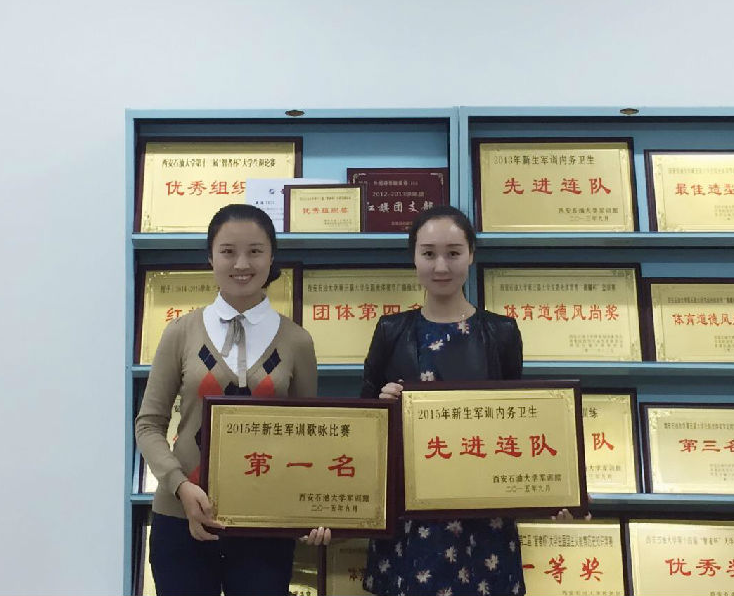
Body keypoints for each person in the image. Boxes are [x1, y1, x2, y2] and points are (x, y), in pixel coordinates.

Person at [135, 204, 330, 596]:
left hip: (265, 524)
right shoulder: (180, 332)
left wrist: (313, 509)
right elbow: (149, 424)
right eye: (228, 251)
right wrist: (179, 486)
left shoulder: (297, 341)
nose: (242, 263)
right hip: (180, 518)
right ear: (210, 257)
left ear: (272, 257)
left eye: (255, 251)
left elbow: (309, 436)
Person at [360, 205, 526, 596]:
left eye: (453, 253)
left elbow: (520, 420)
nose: (440, 266)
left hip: (483, 509)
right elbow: (364, 424)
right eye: (428, 253)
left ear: (471, 255)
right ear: (413, 257)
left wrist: (559, 491)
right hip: (410, 511)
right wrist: (383, 405)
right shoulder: (391, 330)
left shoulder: (501, 332)